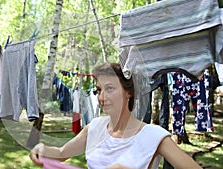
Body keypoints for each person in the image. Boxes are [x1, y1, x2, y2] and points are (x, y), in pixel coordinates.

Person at [29, 62, 202, 169]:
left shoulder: (153, 135)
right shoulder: (95, 127)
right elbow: (61, 152)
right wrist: (43, 150)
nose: (102, 97)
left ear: (128, 93)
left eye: (109, 89)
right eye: (98, 90)